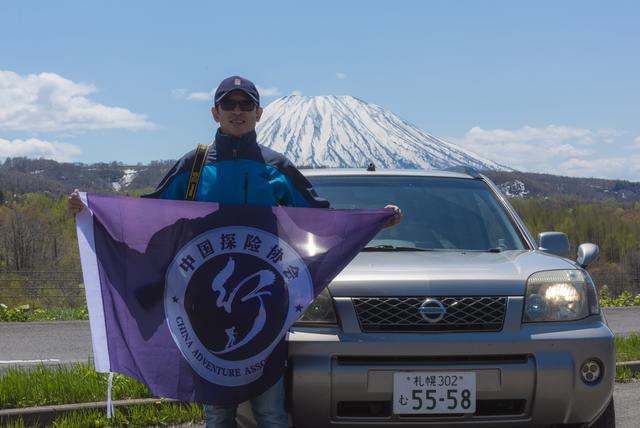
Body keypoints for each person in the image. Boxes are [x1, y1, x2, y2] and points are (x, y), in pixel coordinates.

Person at [69, 75, 401, 427]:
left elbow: (318, 217)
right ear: (215, 112)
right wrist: (91, 211)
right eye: (229, 104)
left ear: (259, 113)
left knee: (270, 409)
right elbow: (148, 213)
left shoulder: (276, 167)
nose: (237, 111)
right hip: (205, 300)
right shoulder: (194, 166)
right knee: (217, 409)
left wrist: (375, 221)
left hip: (266, 299)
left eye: (246, 105)